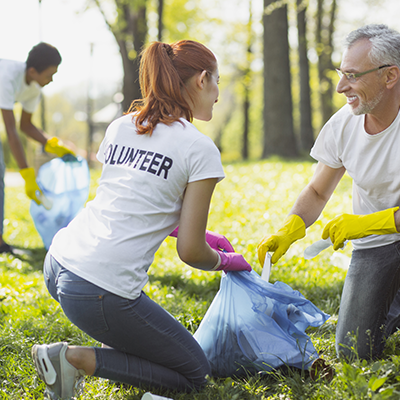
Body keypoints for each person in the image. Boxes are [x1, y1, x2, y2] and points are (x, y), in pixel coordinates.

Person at [31, 40, 252, 399]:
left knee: (153, 349)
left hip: (58, 264)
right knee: (193, 372)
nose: (216, 93)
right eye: (216, 82)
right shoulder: (199, 148)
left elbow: (135, 200)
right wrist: (224, 261)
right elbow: (191, 252)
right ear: (201, 79)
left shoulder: (123, 126)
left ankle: (104, 364)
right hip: (98, 290)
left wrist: (203, 235)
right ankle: (73, 359)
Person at [258, 24, 400, 361]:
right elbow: (318, 191)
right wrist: (291, 227)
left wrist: (368, 223)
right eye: (341, 73)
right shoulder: (344, 124)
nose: (340, 87)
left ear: (390, 76)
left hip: (377, 230)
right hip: (377, 247)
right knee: (353, 351)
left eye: (352, 75)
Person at [0, 42, 75, 253]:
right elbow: (11, 131)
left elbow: (26, 125)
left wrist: (53, 145)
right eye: (49, 75)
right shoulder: (6, 75)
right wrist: (27, 174)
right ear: (33, 71)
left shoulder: (34, 88)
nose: (51, 80)